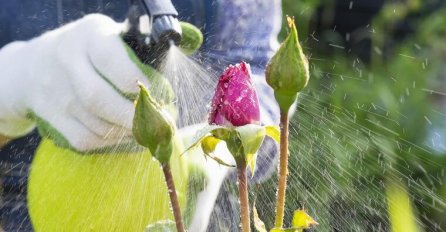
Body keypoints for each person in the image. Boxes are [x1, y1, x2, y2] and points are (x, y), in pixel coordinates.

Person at [0, 0, 282, 231]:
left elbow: (260, 75)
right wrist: (13, 83)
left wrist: (220, 153)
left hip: (192, 212)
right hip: (22, 212)